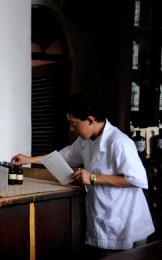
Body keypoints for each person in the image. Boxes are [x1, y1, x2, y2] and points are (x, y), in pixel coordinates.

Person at [11, 92, 154, 258]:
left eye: (74, 124)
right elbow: (62, 157)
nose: (72, 129)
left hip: (126, 225)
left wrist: (93, 178)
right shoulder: (85, 141)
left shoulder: (119, 143)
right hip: (104, 221)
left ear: (90, 120)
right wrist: (28, 159)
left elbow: (137, 179)